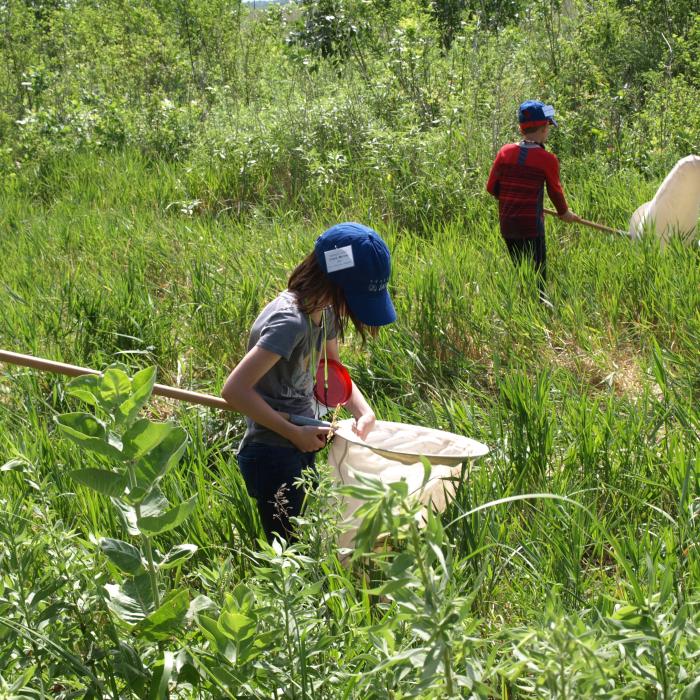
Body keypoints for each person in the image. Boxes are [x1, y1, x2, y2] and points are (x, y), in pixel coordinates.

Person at [222, 222, 396, 542]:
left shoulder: (324, 311)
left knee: (309, 537)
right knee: (287, 549)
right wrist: (292, 432)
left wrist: (363, 411)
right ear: (335, 283)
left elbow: (330, 368)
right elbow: (234, 390)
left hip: (302, 438)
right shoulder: (289, 321)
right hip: (271, 452)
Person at [486, 100, 579, 294]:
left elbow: (492, 188)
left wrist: (510, 198)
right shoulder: (547, 160)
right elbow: (555, 191)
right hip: (531, 227)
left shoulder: (504, 152)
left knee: (521, 270)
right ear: (545, 128)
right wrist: (564, 213)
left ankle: (523, 306)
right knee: (538, 275)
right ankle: (539, 309)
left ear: (521, 129)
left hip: (508, 224)